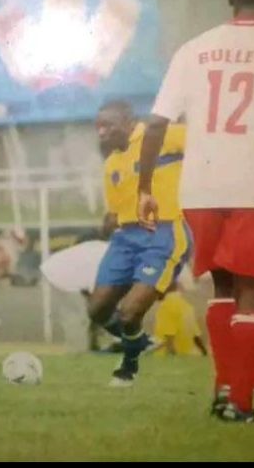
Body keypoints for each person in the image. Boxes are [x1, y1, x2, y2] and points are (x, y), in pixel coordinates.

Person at [138, 0, 254, 423]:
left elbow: (156, 123)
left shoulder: (195, 49)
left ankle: (224, 389)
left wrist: (144, 188)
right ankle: (241, 405)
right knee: (253, 294)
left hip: (202, 187)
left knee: (222, 288)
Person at [87, 100, 191, 386]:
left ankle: (128, 366)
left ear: (128, 121)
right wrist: (107, 224)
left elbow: (203, 145)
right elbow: (115, 210)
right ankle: (140, 342)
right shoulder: (112, 163)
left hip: (163, 232)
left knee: (129, 312)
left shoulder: (161, 136)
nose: (101, 132)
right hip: (125, 238)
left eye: (108, 125)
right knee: (97, 309)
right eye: (98, 127)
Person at [152, 282, 208, 357]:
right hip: (188, 355)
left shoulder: (166, 306)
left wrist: (173, 359)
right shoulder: (186, 305)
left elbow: (169, 339)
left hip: (167, 357)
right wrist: (205, 353)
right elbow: (195, 336)